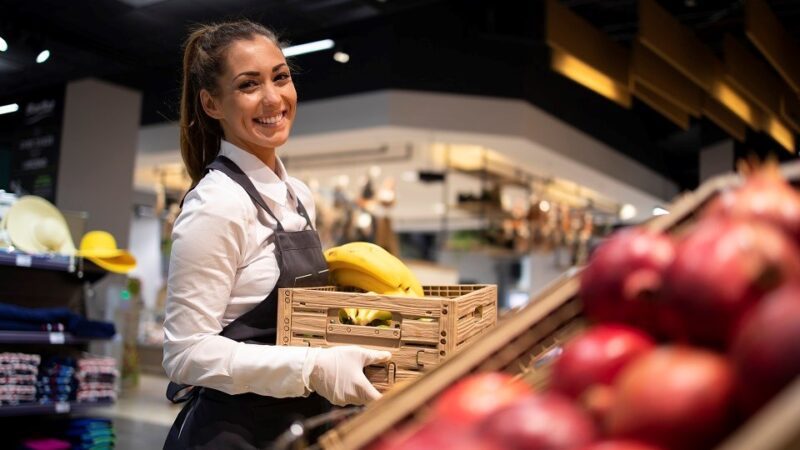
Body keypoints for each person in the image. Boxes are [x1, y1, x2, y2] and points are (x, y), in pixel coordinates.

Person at [162, 20, 391, 449]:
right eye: (249, 85)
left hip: (299, 427)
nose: (273, 98)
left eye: (280, 77)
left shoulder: (299, 196)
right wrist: (313, 368)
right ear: (212, 104)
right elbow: (185, 354)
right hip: (233, 434)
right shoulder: (217, 204)